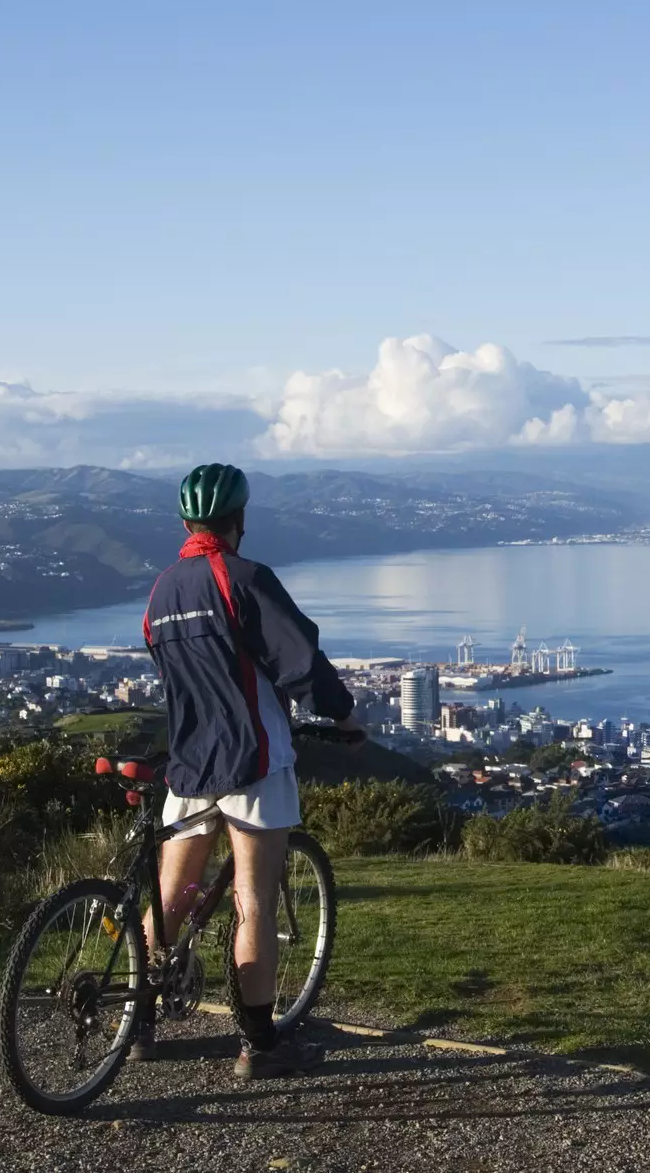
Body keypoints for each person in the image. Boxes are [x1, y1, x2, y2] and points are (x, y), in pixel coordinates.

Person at [139, 462, 366, 1079]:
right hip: (254, 762)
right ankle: (260, 1046)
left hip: (190, 763)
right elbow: (301, 662)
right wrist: (344, 720)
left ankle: (135, 1023)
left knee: (171, 899)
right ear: (239, 519)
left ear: (186, 521)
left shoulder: (162, 591)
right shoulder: (244, 577)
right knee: (254, 901)